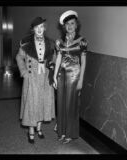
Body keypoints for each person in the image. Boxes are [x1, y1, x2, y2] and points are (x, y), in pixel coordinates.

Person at [16, 17, 56, 144]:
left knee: (42, 102)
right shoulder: (26, 43)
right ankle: (31, 130)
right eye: (37, 27)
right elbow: (19, 57)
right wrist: (23, 72)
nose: (39, 29)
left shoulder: (50, 43)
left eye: (42, 27)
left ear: (44, 28)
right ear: (33, 29)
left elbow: (54, 59)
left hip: (45, 77)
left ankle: (39, 127)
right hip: (31, 76)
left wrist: (53, 67)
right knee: (32, 103)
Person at [53, 10, 88, 144]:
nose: (69, 26)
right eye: (67, 24)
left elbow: (83, 62)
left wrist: (81, 80)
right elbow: (58, 59)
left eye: (72, 23)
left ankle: (69, 133)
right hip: (61, 75)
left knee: (70, 104)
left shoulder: (82, 41)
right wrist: (55, 76)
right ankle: (61, 132)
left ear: (76, 25)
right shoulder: (59, 42)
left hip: (74, 76)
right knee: (61, 103)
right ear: (64, 26)